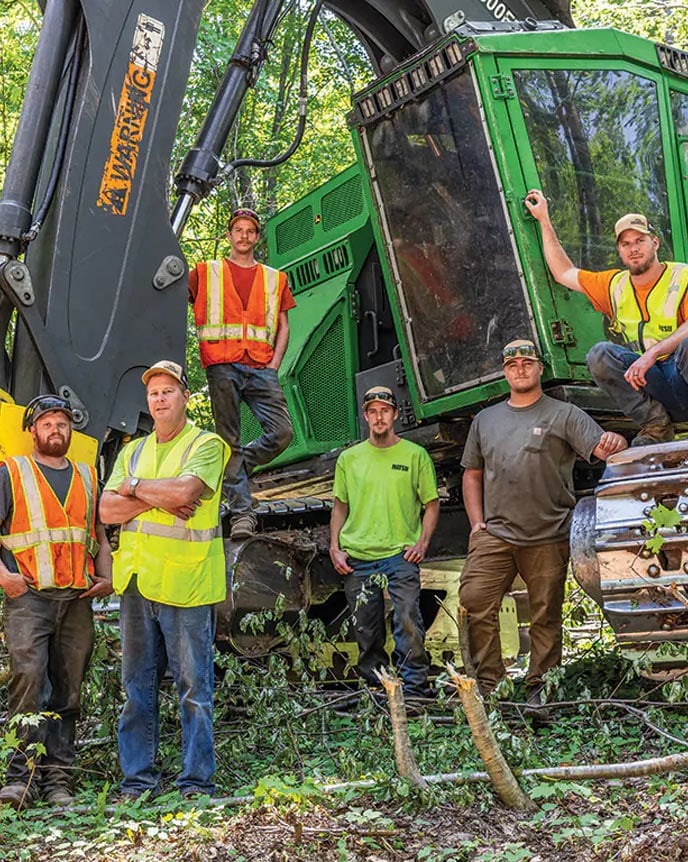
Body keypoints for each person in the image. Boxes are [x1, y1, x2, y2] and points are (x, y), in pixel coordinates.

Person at [459, 340, 627, 713]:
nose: (520, 368)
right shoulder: (486, 420)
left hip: (549, 534)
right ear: (505, 372)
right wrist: (476, 524)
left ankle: (540, 690)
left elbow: (604, 447)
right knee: (474, 601)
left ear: (539, 369)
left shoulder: (563, 414)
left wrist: (615, 441)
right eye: (513, 364)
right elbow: (471, 475)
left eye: (527, 362)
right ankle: (492, 688)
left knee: (546, 613)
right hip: (496, 534)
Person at [100, 360, 229, 800]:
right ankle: (138, 781)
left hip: (186, 584)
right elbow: (105, 511)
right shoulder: (133, 451)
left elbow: (185, 495)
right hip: (136, 583)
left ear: (184, 398)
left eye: (168, 391)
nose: (159, 399)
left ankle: (196, 783)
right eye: (153, 393)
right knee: (136, 688)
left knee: (194, 689)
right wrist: (151, 492)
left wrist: (133, 490)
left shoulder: (207, 445)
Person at [0, 395, 112, 810]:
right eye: (47, 423)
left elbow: (97, 533)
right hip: (29, 599)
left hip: (77, 600)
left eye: (62, 424)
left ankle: (58, 781)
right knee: (28, 682)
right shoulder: (12, 472)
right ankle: (20, 780)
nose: (56, 430)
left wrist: (108, 576)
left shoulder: (87, 475)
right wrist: (4, 576)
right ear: (32, 430)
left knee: (68, 692)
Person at [525, 189, 688, 446]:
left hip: (681, 375)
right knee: (599, 355)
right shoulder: (614, 284)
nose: (633, 249)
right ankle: (656, 425)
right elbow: (563, 272)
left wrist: (652, 354)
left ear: (654, 243)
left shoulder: (682, 276)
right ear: (620, 250)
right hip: (651, 383)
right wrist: (544, 220)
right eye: (626, 244)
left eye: (639, 241)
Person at [189, 208, 296, 540]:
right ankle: (242, 515)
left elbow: (283, 325)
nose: (244, 236)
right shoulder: (206, 272)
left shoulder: (274, 278)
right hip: (221, 365)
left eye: (250, 231)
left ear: (256, 237)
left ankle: (232, 470)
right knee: (229, 441)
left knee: (282, 433)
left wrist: (275, 363)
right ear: (229, 235)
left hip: (261, 366)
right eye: (239, 230)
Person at [329, 386, 440, 698]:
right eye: (373, 411)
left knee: (408, 621)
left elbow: (431, 504)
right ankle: (378, 691)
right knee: (366, 629)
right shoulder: (349, 459)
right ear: (366, 417)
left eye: (385, 410)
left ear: (394, 415)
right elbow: (340, 505)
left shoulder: (415, 456)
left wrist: (422, 544)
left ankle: (416, 689)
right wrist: (335, 547)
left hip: (399, 555)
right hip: (358, 556)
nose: (379, 417)